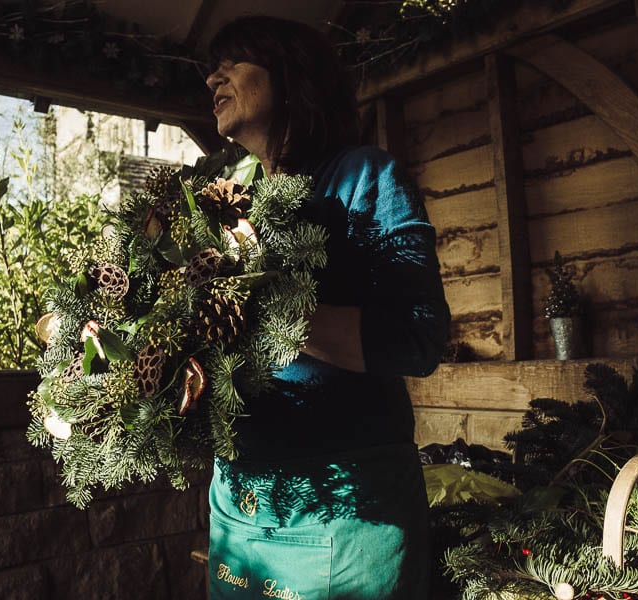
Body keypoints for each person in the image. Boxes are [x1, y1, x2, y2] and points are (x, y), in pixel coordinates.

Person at [203, 15, 451, 600]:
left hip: (344, 509)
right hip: (237, 507)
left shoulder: (365, 176)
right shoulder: (232, 202)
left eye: (233, 61)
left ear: (289, 75)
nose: (213, 76)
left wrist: (268, 303)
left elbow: (418, 338)